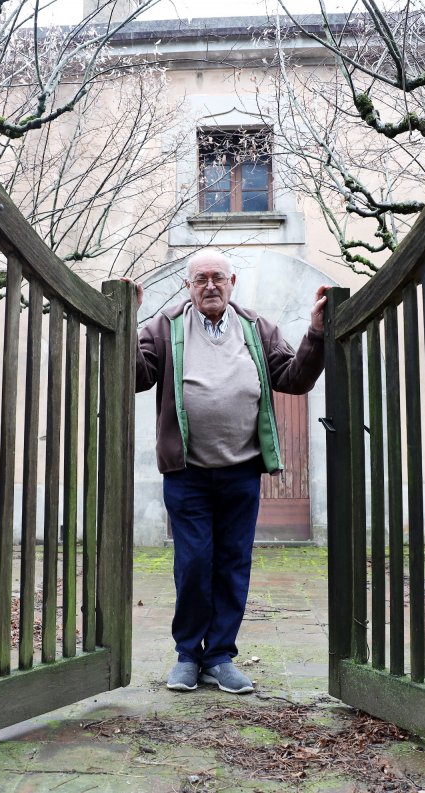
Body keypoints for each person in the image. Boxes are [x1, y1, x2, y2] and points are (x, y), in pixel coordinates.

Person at [130, 250, 328, 694]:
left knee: (233, 563)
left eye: (218, 277)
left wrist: (316, 333)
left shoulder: (257, 328)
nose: (210, 285)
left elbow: (293, 378)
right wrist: (126, 320)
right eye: (201, 279)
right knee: (195, 561)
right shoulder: (164, 328)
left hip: (241, 470)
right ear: (188, 286)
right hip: (188, 472)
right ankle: (187, 655)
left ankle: (219, 656)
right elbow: (137, 376)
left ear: (232, 281)